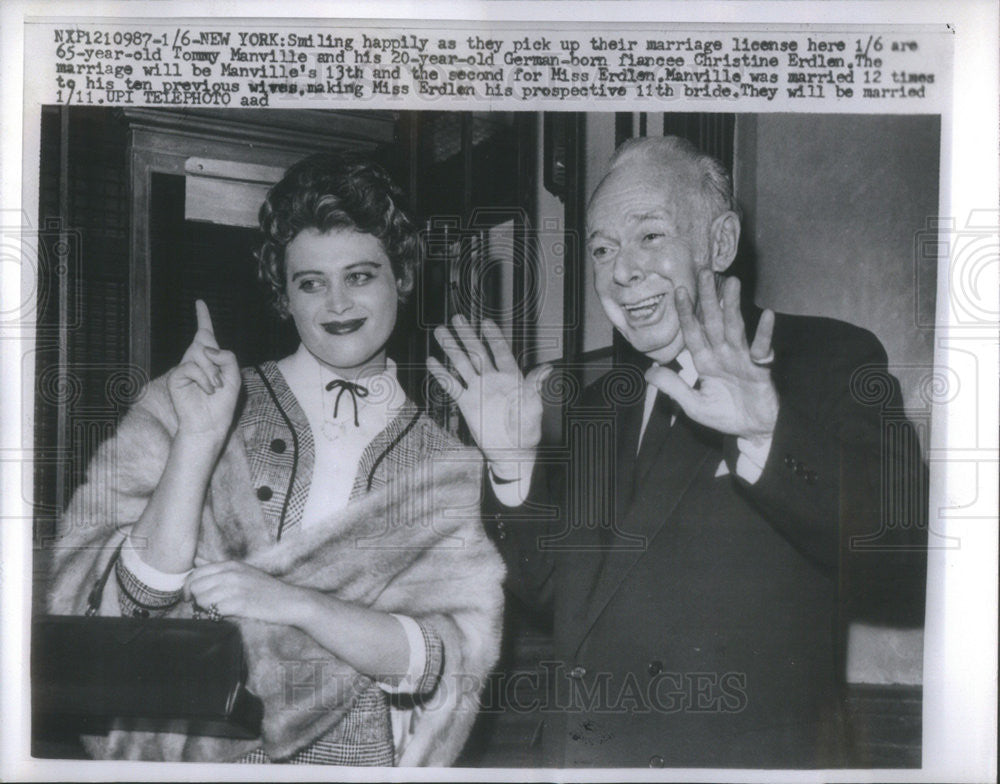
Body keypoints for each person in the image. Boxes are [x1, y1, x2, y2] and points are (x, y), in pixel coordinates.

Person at [431, 135, 926, 767]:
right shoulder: (592, 397)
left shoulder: (825, 360)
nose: (621, 270)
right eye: (602, 248)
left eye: (650, 237)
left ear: (720, 243)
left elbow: (902, 558)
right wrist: (512, 465)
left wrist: (765, 433)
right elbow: (564, 596)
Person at [47, 153, 506, 766]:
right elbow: (126, 613)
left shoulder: (445, 461)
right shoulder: (196, 403)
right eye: (310, 282)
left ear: (401, 276)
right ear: (284, 295)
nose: (336, 303)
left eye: (361, 275)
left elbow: (440, 662)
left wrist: (294, 603)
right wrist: (197, 441)